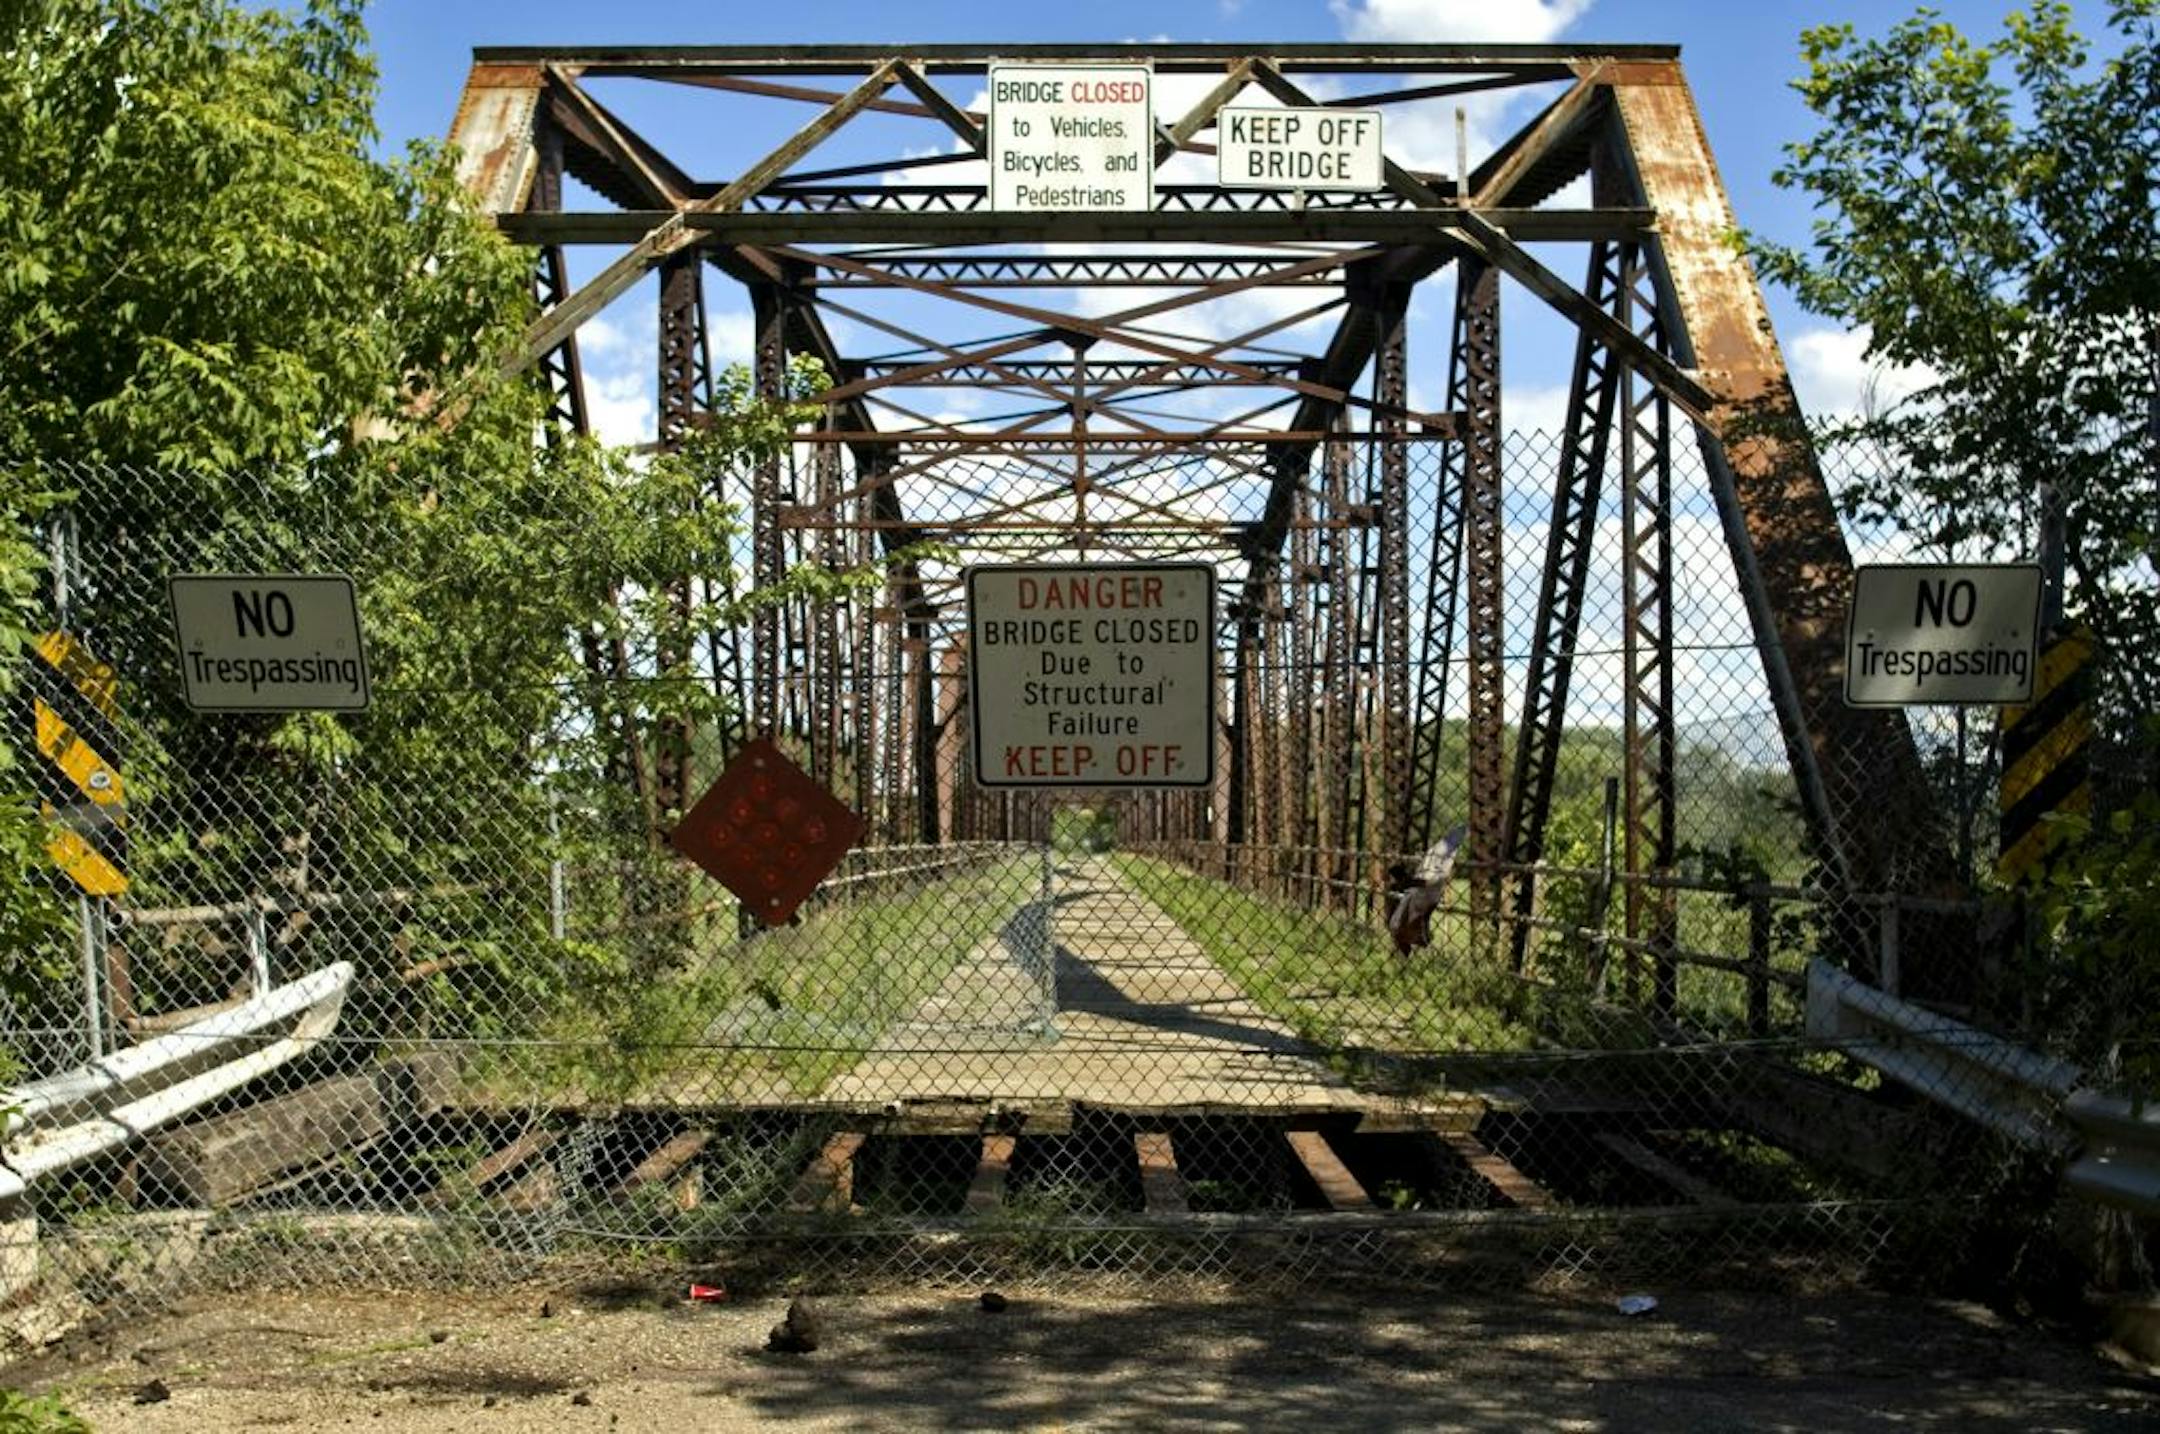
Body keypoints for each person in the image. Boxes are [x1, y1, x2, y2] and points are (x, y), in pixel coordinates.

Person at [1385, 824, 1465, 955]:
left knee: (1403, 921)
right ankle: (1411, 946)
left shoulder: (1437, 854)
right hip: (1422, 891)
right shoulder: (1435, 854)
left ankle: (1411, 946)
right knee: (1403, 921)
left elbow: (1431, 880)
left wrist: (1411, 882)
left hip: (1425, 892)